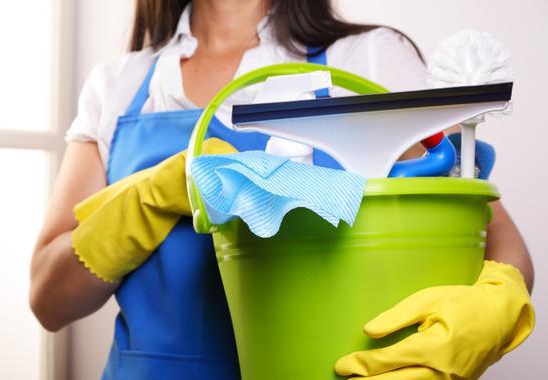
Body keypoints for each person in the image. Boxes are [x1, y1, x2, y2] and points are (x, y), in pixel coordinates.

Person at [29, 1, 535, 379]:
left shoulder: (368, 58)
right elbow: (49, 301)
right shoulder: (118, 84)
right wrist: (146, 200)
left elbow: (493, 236)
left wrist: (495, 301)